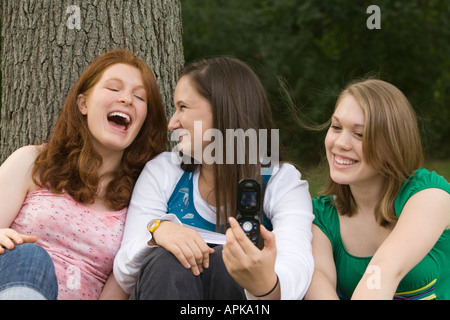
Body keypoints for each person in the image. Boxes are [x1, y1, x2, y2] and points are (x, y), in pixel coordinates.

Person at [113, 56, 314, 300]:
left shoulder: (281, 181)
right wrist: (158, 233)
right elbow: (124, 274)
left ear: (222, 110)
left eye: (183, 107)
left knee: (225, 262)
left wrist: (262, 282)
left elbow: (297, 265)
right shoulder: (164, 170)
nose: (172, 123)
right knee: (168, 260)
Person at [0, 49, 167, 299]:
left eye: (140, 97)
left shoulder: (142, 199)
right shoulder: (32, 162)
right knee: (31, 255)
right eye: (113, 88)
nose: (127, 99)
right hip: (14, 283)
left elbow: (120, 286)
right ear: (83, 103)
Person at [304, 79, 450, 300]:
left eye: (360, 134)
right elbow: (319, 285)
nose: (340, 143)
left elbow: (386, 269)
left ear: (392, 144)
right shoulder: (320, 219)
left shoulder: (428, 195)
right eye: (336, 127)